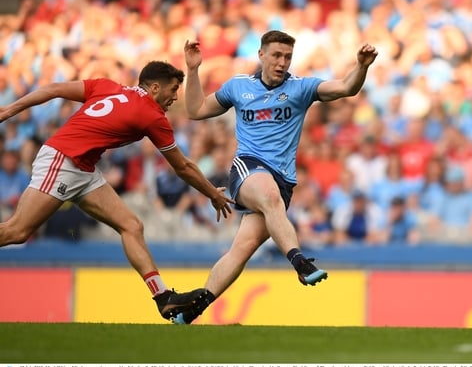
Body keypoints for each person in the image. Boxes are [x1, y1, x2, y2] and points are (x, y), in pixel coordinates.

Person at [0, 44, 235, 322]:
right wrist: (213, 194)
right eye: (173, 89)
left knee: (131, 225)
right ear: (155, 88)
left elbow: (53, 89)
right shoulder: (151, 115)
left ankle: (163, 299)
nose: (176, 96)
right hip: (63, 160)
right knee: (16, 231)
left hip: (83, 168)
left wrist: (8, 109)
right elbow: (182, 167)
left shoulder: (108, 86)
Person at [175, 31, 378, 324]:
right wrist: (193, 69)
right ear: (261, 55)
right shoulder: (239, 87)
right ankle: (301, 263)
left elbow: (346, 88)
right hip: (248, 168)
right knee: (269, 197)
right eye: (276, 55)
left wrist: (362, 66)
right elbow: (195, 110)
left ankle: (193, 309)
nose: (282, 62)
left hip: (282, 182)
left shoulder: (302, 88)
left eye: (287, 57)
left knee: (241, 250)